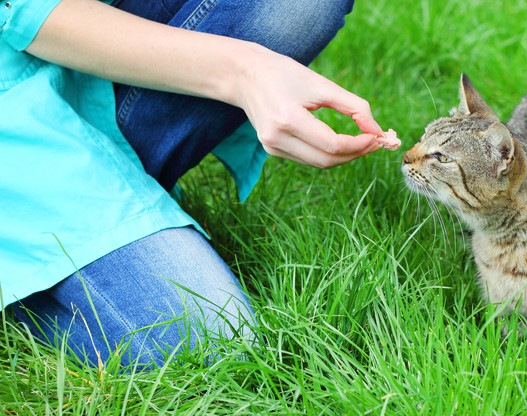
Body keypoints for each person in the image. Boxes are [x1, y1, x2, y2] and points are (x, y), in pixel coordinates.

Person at [0, 0, 388, 368]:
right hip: (19, 128)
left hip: (99, 52)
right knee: (216, 341)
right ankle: (34, 278)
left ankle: (135, 188)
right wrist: (246, 72)